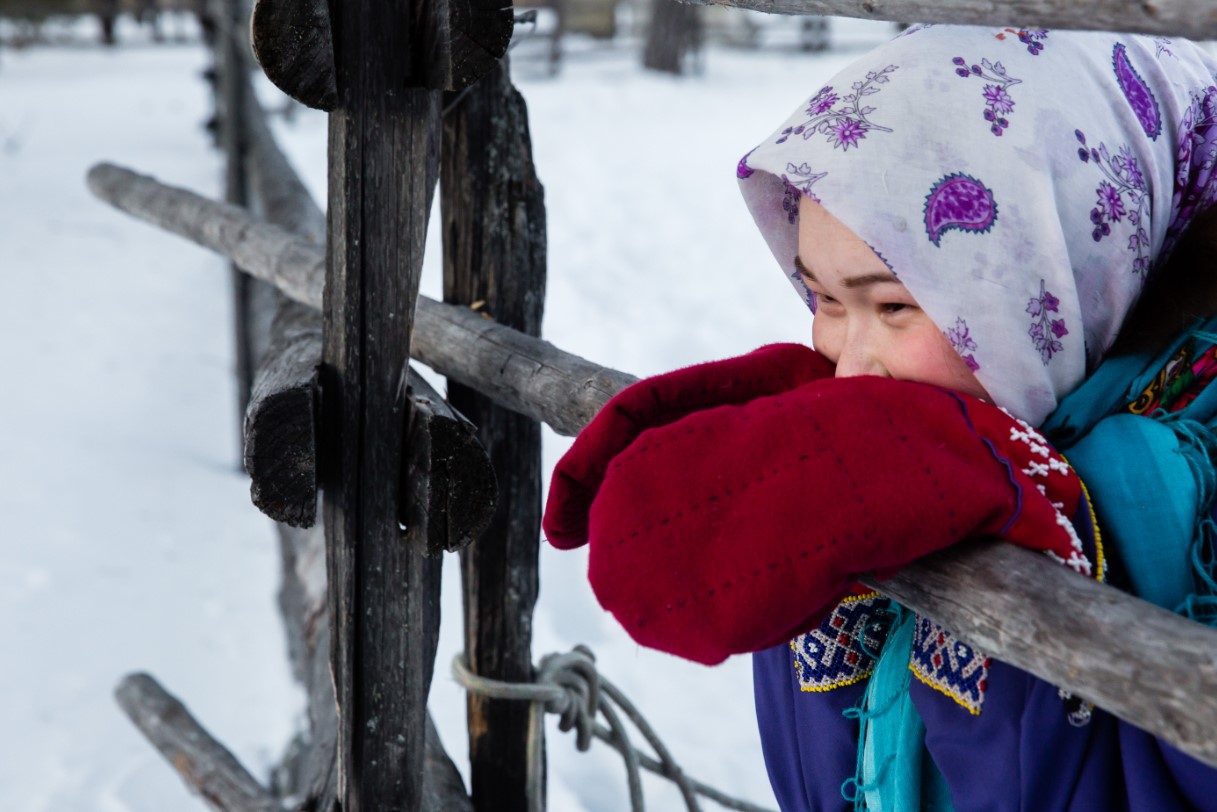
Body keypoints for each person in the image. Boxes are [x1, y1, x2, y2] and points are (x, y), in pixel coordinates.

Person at [542, 24, 1217, 811]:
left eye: (894, 304)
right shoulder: (882, 422)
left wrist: (995, 471)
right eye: (825, 298)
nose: (849, 362)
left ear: (1068, 275)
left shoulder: (1192, 482)